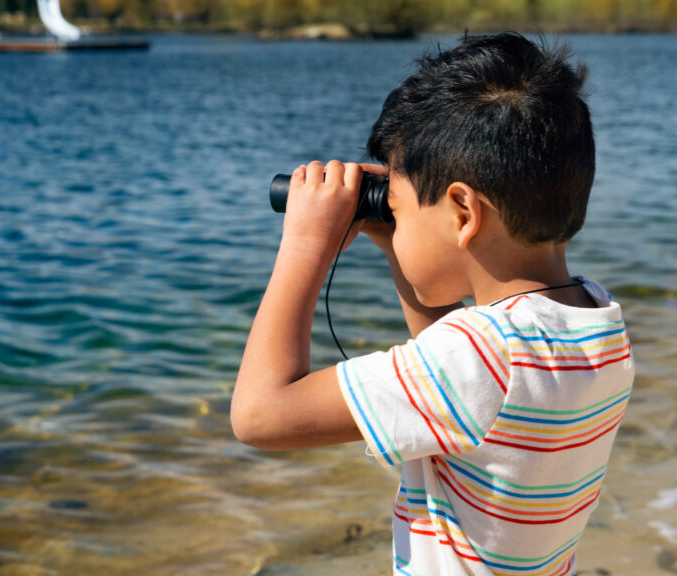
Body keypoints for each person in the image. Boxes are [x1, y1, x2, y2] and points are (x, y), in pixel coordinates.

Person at [232, 32, 635, 576]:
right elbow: (461, 390)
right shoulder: (594, 319)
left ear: (463, 213)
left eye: (398, 212)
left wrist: (307, 243)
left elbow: (260, 416)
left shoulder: (479, 358)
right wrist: (396, 240)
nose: (395, 227)